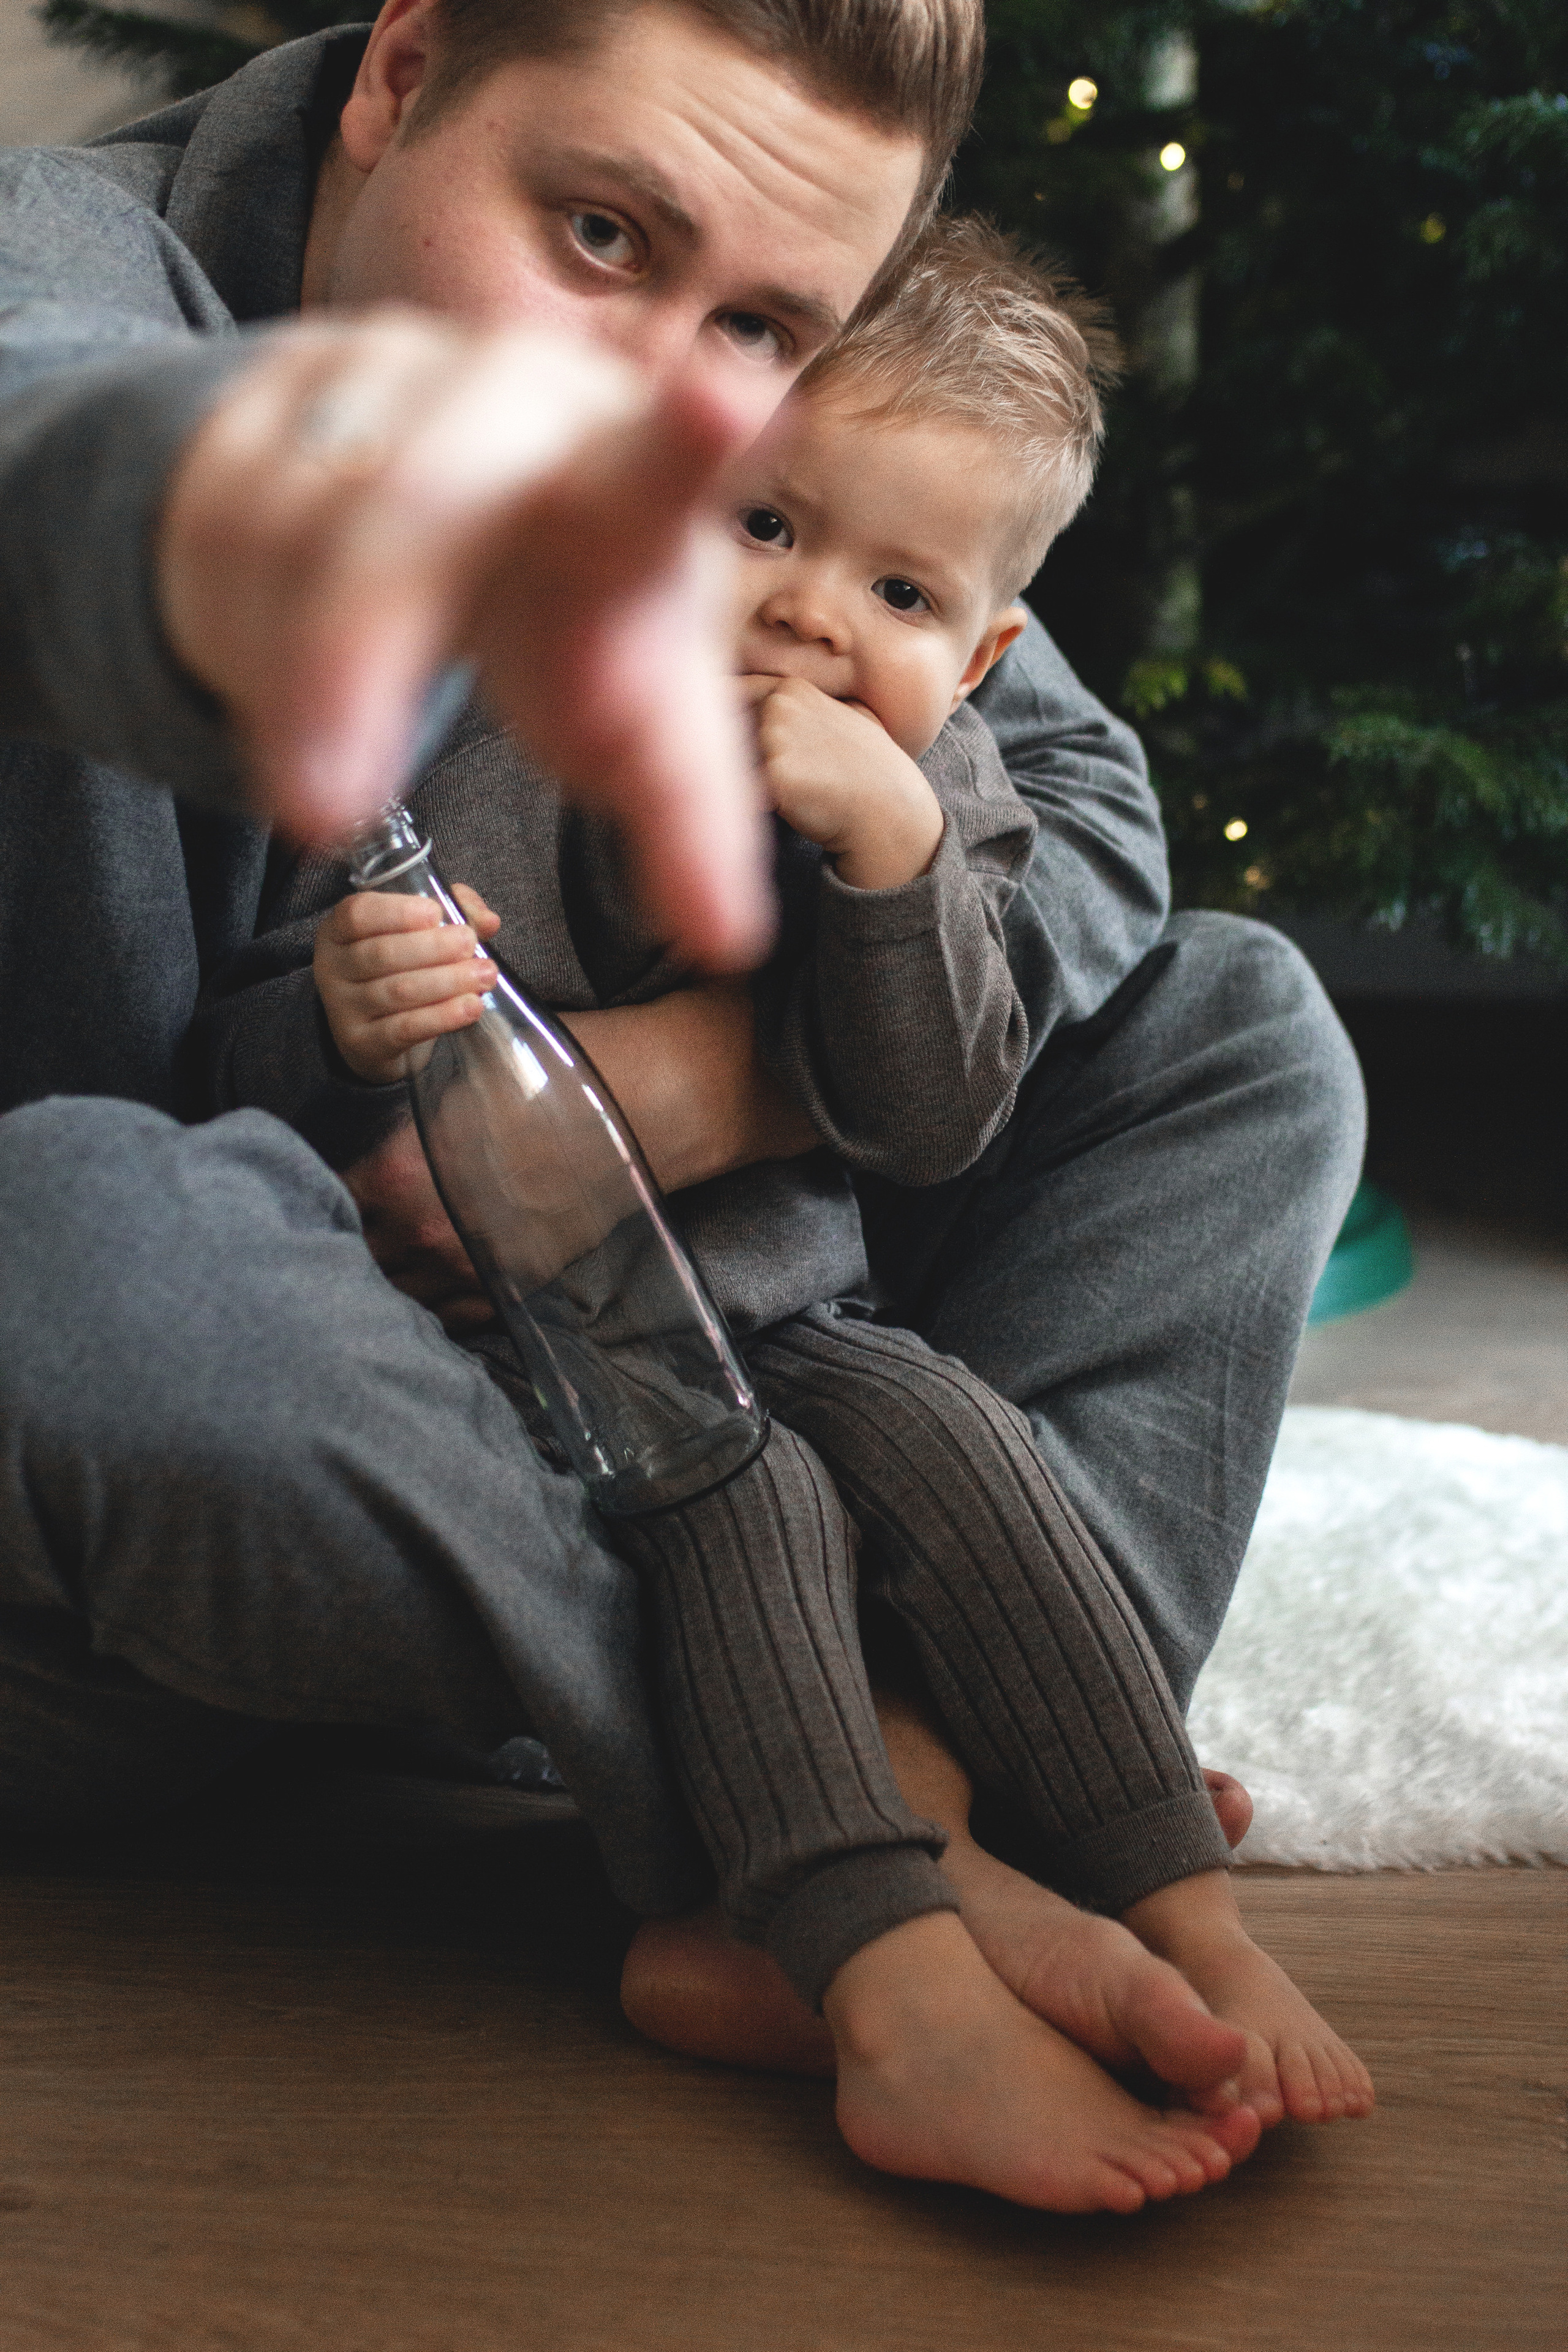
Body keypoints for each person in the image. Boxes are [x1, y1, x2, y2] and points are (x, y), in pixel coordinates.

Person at [0, 0, 1363, 2201]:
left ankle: (879, 1751)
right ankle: (887, 1842)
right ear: (404, 70)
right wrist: (264, 510)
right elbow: (45, 432)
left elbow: (1078, 783)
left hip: (685, 1327)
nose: (649, 406)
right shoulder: (62, 267)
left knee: (1240, 1021)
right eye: (600, 234)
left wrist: (710, 1083)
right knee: (81, 1249)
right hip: (185, 1455)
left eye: (756, 326)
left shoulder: (762, 436)